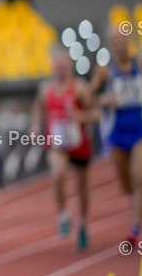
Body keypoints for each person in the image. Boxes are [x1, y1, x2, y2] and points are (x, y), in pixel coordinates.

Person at [91, 26, 142, 248]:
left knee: (140, 177)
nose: (119, 43)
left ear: (129, 40)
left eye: (122, 39)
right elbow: (90, 97)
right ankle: (141, 198)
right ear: (110, 44)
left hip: (141, 128)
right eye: (114, 40)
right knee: (126, 184)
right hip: (118, 132)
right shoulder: (104, 70)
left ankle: (135, 228)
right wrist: (104, 100)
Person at [30, 49, 97, 250]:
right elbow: (37, 108)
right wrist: (35, 126)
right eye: (57, 65)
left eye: (64, 65)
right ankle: (63, 215)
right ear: (53, 67)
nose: (60, 69)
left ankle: (83, 223)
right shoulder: (46, 89)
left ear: (69, 66)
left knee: (82, 188)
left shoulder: (79, 88)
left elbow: (96, 112)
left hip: (78, 142)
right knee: (58, 175)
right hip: (57, 143)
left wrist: (80, 116)